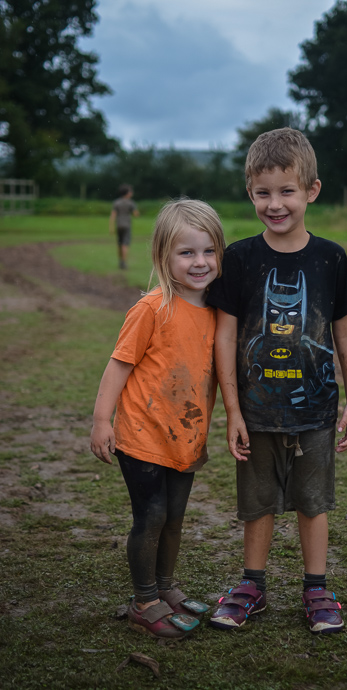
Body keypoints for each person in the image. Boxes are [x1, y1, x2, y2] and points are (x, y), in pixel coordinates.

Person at [206, 128, 347, 634]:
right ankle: (252, 586)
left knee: (313, 502)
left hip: (316, 410)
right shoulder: (240, 258)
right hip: (256, 411)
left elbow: (346, 332)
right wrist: (232, 410)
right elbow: (225, 337)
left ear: (311, 191)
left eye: (286, 191)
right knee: (257, 504)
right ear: (250, 193)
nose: (275, 204)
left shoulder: (331, 258)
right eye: (263, 193)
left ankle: (317, 589)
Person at [90, 198, 225, 639]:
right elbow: (119, 365)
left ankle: (166, 588)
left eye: (208, 251)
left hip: (185, 439)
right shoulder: (152, 308)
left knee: (174, 517)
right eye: (186, 253)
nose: (200, 262)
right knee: (150, 517)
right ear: (163, 256)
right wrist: (101, 421)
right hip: (142, 435)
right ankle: (144, 599)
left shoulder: (220, 313)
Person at [109, 183, 140, 269]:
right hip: (127, 225)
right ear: (128, 193)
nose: (132, 192)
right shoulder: (131, 203)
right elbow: (136, 214)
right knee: (125, 244)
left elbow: (113, 215)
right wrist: (136, 212)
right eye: (130, 191)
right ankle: (123, 262)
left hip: (119, 225)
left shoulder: (116, 202)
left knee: (119, 243)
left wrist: (111, 227)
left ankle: (120, 261)